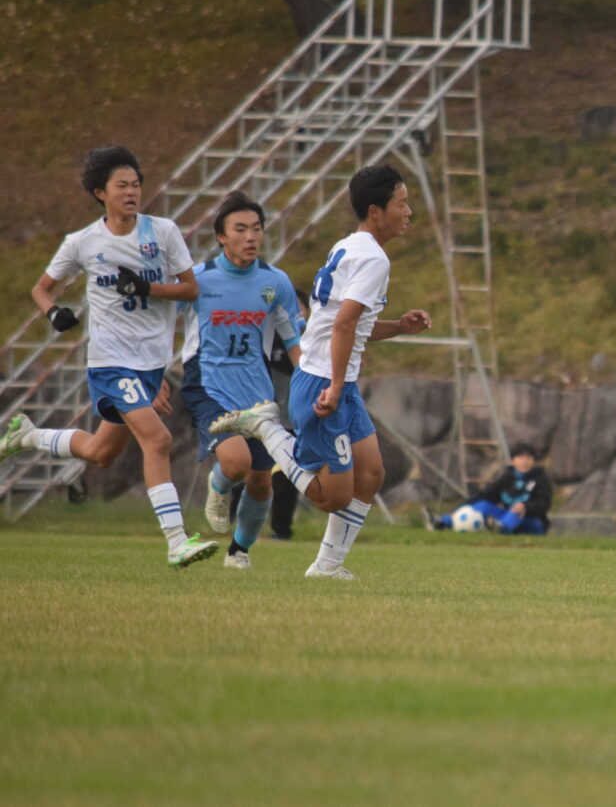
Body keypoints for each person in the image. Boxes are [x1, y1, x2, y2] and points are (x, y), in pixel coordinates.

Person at [208, 164, 432, 580]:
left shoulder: (348, 246)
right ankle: (268, 430)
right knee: (332, 496)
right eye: (401, 204)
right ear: (375, 210)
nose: (409, 212)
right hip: (323, 383)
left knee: (371, 473)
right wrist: (333, 384)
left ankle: (327, 567)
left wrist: (399, 326)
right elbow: (344, 326)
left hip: (333, 380)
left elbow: (343, 324)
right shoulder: (373, 259)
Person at [0, 145, 217, 567]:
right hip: (109, 360)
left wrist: (147, 288)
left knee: (102, 452)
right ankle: (176, 542)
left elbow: (191, 289)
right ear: (101, 192)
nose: (132, 192)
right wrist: (55, 312)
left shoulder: (163, 232)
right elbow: (42, 288)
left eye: (136, 184)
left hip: (151, 362)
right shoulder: (82, 243)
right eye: (122, 186)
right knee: (158, 439)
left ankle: (27, 436)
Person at [176, 191, 302, 569]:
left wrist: (313, 382)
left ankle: (239, 553)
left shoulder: (275, 283)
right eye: (241, 229)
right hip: (207, 384)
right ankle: (218, 486)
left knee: (262, 482)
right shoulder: (197, 280)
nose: (251, 237)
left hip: (256, 392)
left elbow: (294, 341)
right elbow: (160, 321)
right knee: (236, 463)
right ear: (221, 235)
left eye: (257, 229)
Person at [229, 287, 310, 540]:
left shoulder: (309, 340)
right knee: (246, 469)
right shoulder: (261, 336)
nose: (291, 313)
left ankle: (281, 530)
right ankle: (229, 522)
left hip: (291, 418)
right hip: (257, 414)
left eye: (297, 307)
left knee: (285, 475)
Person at [424, 443, 553, 535]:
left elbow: (544, 504)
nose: (524, 462)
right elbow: (486, 494)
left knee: (517, 510)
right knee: (483, 505)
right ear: (513, 461)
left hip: (532, 522)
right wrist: (461, 507)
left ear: (534, 461)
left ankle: (501, 528)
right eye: (521, 458)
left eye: (528, 458)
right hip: (505, 516)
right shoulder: (507, 478)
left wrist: (526, 507)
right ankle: (441, 522)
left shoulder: (541, 479)